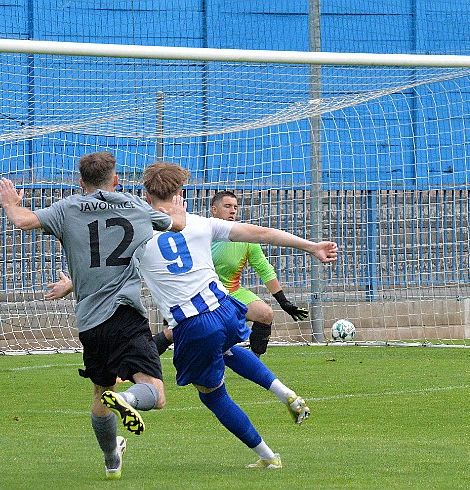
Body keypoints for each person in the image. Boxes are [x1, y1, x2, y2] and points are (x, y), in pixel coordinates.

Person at [0, 151, 186, 480]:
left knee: (100, 392)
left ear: (80, 181)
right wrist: (177, 207)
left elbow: (22, 221)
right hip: (125, 313)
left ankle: (112, 458)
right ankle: (126, 398)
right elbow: (177, 224)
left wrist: (11, 202)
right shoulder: (133, 205)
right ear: (115, 181)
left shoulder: (67, 208)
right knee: (154, 393)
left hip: (89, 322)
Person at [136, 161, 337, 468]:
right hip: (227, 310)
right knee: (227, 350)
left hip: (193, 324)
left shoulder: (136, 234)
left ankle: (269, 458)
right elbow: (263, 233)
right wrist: (311, 246)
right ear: (180, 194)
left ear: (145, 196)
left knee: (213, 395)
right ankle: (288, 396)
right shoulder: (200, 223)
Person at [152, 190, 308, 357]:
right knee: (172, 334)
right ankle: (138, 362)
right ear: (213, 210)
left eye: (235, 207)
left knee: (265, 314)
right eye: (227, 206)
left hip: (231, 293)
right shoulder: (196, 231)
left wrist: (283, 301)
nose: (233, 210)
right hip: (195, 294)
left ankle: (255, 361)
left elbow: (264, 269)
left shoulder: (245, 239)